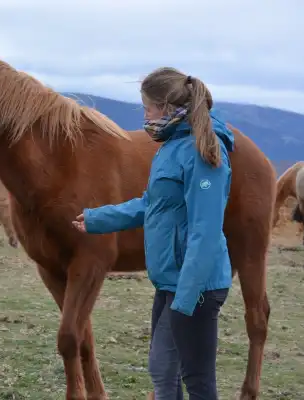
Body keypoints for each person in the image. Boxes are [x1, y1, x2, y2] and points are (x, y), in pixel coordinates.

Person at [72, 67, 234, 400]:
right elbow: (153, 204)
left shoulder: (202, 154)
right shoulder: (170, 149)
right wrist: (97, 219)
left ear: (167, 107)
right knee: (165, 371)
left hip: (196, 286)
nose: (144, 115)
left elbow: (205, 232)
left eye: (147, 107)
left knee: (195, 378)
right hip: (170, 280)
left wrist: (186, 300)